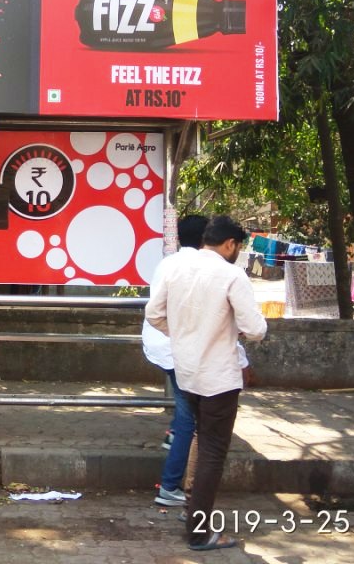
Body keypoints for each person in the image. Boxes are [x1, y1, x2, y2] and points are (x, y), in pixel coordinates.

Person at [145, 215, 267, 552]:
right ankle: (199, 531)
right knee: (213, 451)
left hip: (186, 371)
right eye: (237, 247)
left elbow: (154, 314)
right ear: (230, 244)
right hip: (219, 377)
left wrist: (185, 336)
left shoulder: (173, 268)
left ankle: (192, 509)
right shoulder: (231, 275)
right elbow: (255, 329)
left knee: (201, 439)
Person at [142, 214, 206, 509]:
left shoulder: (168, 262)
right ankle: (169, 486)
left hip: (159, 345)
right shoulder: (204, 267)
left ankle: (172, 433)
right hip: (176, 348)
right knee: (189, 418)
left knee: (184, 409)